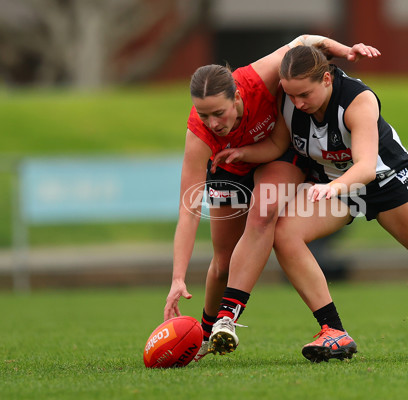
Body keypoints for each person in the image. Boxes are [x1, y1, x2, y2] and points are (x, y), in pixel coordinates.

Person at [208, 45, 408, 362]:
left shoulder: (358, 100)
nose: (297, 102)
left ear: (327, 80)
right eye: (291, 96)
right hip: (336, 187)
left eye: (304, 94)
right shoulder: (291, 102)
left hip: (385, 182)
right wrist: (243, 154)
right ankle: (333, 330)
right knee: (285, 233)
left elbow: (363, 166)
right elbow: (280, 142)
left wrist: (333, 187)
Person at [163, 35, 381, 362]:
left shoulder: (258, 77)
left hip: (277, 155)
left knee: (264, 212)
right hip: (228, 164)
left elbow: (306, 41)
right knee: (223, 262)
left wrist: (346, 51)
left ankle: (228, 318)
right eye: (204, 115)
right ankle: (206, 334)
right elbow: (189, 210)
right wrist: (178, 278)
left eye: (219, 113)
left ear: (237, 96)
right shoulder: (200, 134)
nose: (213, 123)